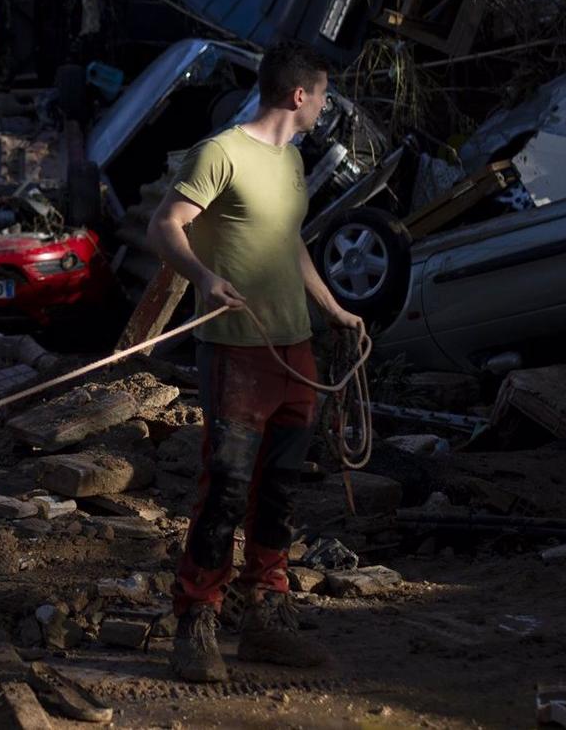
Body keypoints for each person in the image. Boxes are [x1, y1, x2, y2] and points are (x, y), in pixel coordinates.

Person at [146, 41, 366, 683]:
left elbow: (287, 240)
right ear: (299, 95)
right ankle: (196, 621)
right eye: (322, 95)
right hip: (236, 351)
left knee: (279, 492)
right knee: (227, 489)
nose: (324, 106)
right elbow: (167, 224)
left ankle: (267, 619)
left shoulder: (292, 162)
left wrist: (330, 306)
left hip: (292, 349)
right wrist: (203, 277)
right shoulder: (220, 153)